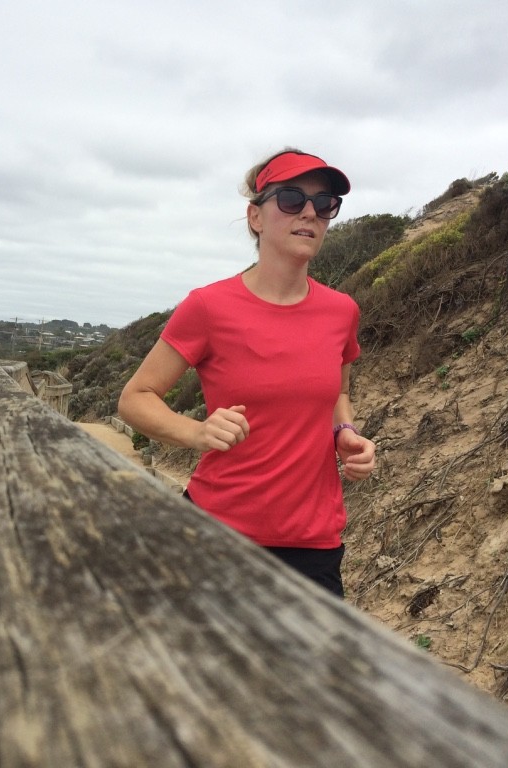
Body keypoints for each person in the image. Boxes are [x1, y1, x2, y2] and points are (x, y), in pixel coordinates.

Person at [118, 148, 376, 598]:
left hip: (312, 543)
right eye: (292, 199)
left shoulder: (342, 311)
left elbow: (338, 393)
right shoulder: (208, 307)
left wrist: (346, 432)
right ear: (255, 216)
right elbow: (136, 397)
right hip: (216, 535)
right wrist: (196, 432)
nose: (310, 213)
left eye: (325, 203)